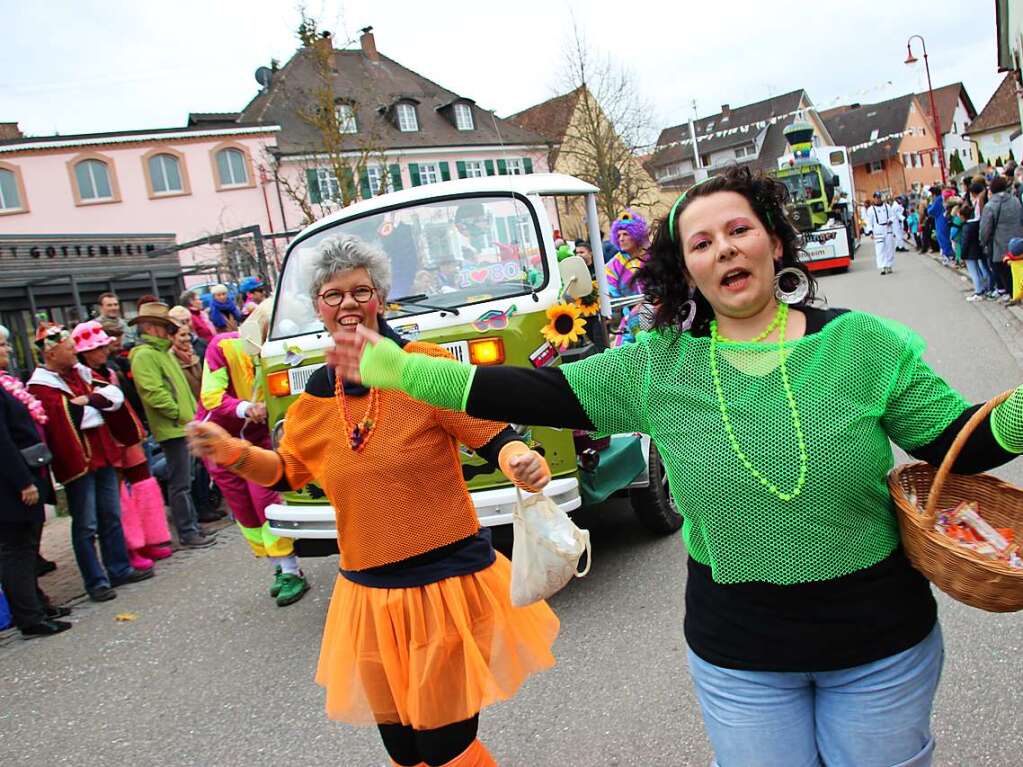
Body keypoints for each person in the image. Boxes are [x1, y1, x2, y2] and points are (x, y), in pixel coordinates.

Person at [334, 165, 1023, 767]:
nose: (723, 247)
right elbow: (536, 391)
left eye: (738, 229)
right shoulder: (659, 365)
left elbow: (959, 437)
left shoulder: (860, 344)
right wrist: (405, 369)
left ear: (774, 242)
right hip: (741, 654)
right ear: (687, 268)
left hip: (881, 644)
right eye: (701, 241)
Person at [187, 234, 559, 767]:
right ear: (318, 306)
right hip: (368, 595)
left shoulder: (418, 366)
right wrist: (234, 453)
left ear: (379, 299)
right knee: (403, 750)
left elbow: (493, 434)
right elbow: (289, 471)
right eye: (333, 294)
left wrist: (521, 460)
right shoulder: (316, 394)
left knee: (444, 747)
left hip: (443, 586)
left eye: (360, 291)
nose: (348, 304)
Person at [28, 324, 154, 601]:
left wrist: (90, 401)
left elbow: (113, 397)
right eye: (69, 347)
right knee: (86, 525)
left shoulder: (81, 375)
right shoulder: (41, 387)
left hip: (104, 455)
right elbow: (77, 417)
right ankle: (95, 581)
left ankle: (119, 569)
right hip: (77, 463)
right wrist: (90, 404)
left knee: (111, 516)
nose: (75, 351)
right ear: (51, 352)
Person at [196, 302, 309, 606]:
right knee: (244, 510)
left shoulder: (287, 348)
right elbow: (211, 396)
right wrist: (247, 408)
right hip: (221, 440)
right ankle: (277, 569)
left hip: (258, 442)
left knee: (266, 502)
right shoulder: (222, 346)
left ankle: (290, 570)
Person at [0, 325, 72, 638]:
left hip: (23, 475)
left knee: (27, 547)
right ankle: (29, 617)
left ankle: (37, 605)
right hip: (10, 485)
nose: (7, 350)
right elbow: (1, 441)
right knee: (16, 550)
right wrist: (22, 482)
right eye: (2, 346)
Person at [129, 303, 216, 549]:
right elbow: (153, 392)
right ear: (149, 327)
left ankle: (193, 526)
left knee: (186, 479)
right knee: (180, 483)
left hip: (182, 424)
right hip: (173, 427)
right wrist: (180, 415)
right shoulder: (145, 355)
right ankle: (187, 531)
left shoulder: (162, 352)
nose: (167, 331)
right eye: (163, 326)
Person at [605, 210, 650, 345]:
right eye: (618, 235)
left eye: (626, 234)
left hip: (659, 315)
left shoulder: (654, 257)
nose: (621, 239)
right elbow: (610, 296)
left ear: (636, 235)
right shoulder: (613, 265)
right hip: (631, 321)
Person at [980, 175, 1023, 303]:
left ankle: (1012, 295)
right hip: (1019, 243)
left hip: (1000, 246)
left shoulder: (990, 206)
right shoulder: (1015, 200)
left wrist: (983, 242)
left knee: (1003, 272)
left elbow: (985, 229)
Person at [866, 192, 897, 275]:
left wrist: (890, 221)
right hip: (878, 230)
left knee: (889, 248)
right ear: (874, 198)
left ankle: (889, 265)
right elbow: (869, 222)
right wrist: (870, 231)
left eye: (879, 197)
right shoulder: (870, 210)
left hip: (887, 229)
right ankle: (883, 266)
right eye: (876, 198)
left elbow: (893, 216)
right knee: (880, 249)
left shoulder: (887, 206)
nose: (878, 199)